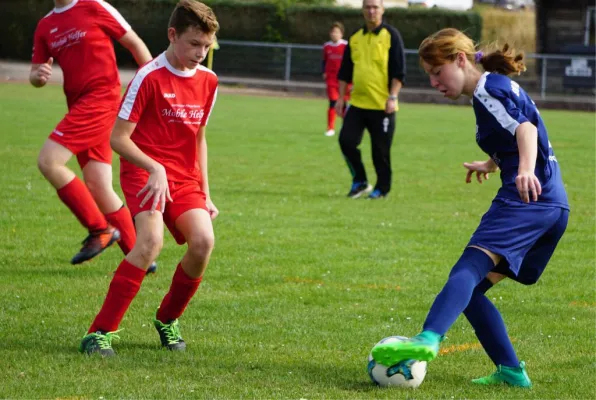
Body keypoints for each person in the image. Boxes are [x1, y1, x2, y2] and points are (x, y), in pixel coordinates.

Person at [371, 28, 570, 388]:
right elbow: (517, 129)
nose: (433, 82)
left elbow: (525, 130)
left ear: (460, 60)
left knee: (468, 267)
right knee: (472, 291)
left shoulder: (486, 90)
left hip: (526, 200)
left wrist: (523, 170)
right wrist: (493, 164)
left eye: (437, 72)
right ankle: (510, 371)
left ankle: (428, 337)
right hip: (553, 205)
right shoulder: (494, 85)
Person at [79, 0, 220, 357]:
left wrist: (205, 192)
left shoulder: (209, 81)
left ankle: (167, 319)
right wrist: (155, 167)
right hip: (144, 170)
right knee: (149, 243)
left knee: (203, 242)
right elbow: (118, 138)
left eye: (207, 46)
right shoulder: (149, 77)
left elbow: (199, 137)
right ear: (172, 36)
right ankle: (99, 332)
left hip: (184, 176)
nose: (201, 53)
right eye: (194, 44)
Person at [30, 0, 157, 273]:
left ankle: (100, 229)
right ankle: (141, 257)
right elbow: (35, 72)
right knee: (99, 185)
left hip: (102, 99)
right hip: (78, 105)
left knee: (49, 161)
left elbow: (134, 44)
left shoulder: (94, 6)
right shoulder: (45, 26)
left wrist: (155, 86)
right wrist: (37, 76)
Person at [336, 0, 405, 199]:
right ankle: (360, 181)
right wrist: (341, 98)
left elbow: (399, 71)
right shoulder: (355, 38)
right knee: (346, 141)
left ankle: (382, 189)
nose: (371, 11)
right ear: (362, 10)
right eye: (368, 7)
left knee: (380, 151)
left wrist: (392, 97)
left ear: (382, 10)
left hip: (383, 105)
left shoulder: (391, 36)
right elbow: (345, 72)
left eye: (375, 7)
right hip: (357, 103)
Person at [322, 21, 349, 137]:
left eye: (337, 32)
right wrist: (324, 72)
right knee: (333, 102)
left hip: (344, 79)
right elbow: (324, 61)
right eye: (333, 32)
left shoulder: (346, 46)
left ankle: (346, 126)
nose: (334, 34)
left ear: (341, 34)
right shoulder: (326, 46)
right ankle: (330, 128)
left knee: (344, 103)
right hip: (331, 79)